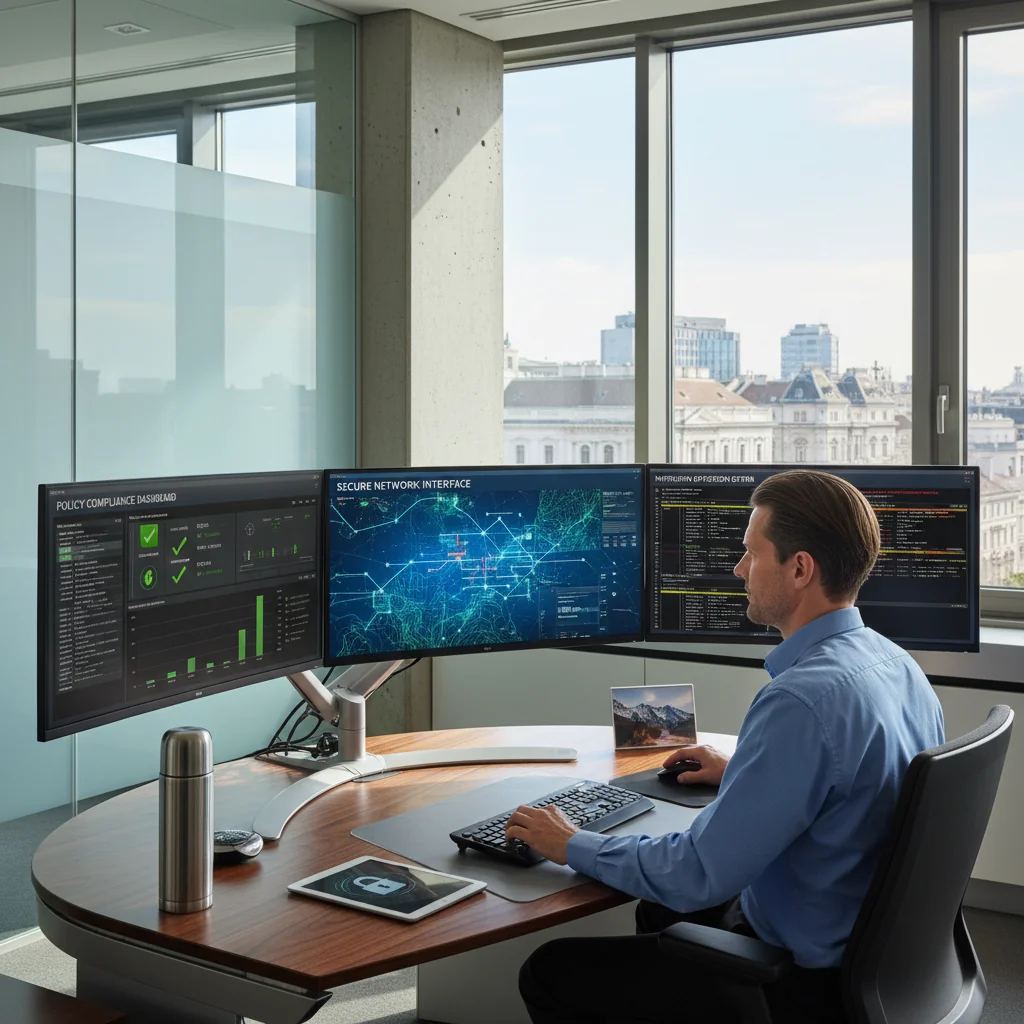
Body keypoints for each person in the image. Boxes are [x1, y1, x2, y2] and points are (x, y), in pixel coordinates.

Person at [511, 469, 945, 1024]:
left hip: (799, 980)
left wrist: (571, 843)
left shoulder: (801, 701)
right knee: (658, 912)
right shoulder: (896, 664)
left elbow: (696, 872)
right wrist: (746, 769)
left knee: (550, 971)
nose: (739, 569)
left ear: (799, 568)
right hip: (878, 957)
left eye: (750, 554)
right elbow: (860, 781)